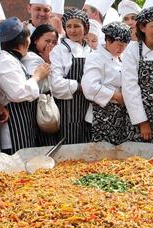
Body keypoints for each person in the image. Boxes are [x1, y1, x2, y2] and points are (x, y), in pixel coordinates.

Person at [0, 17, 50, 154]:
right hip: (14, 128)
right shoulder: (5, 61)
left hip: (23, 123)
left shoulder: (11, 59)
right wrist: (37, 76)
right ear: (22, 41)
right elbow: (18, 93)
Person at [122, 6, 153, 143]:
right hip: (138, 117)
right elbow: (129, 88)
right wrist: (142, 121)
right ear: (143, 28)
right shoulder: (132, 50)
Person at [82, 22, 131, 145]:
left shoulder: (121, 57)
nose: (122, 48)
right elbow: (89, 87)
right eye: (119, 44)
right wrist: (115, 96)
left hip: (118, 115)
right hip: (101, 116)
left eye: (125, 45)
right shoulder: (96, 57)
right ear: (108, 41)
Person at [50, 8, 91, 145]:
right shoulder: (59, 50)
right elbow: (55, 84)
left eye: (77, 26)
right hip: (68, 108)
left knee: (88, 145)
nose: (72, 30)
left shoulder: (90, 50)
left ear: (85, 28)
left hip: (89, 106)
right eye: (69, 26)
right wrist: (80, 87)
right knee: (70, 147)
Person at [22, 24, 58, 146]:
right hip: (35, 108)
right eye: (47, 41)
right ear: (36, 40)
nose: (50, 45)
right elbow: (37, 83)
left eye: (54, 42)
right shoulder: (32, 58)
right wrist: (47, 61)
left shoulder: (42, 57)